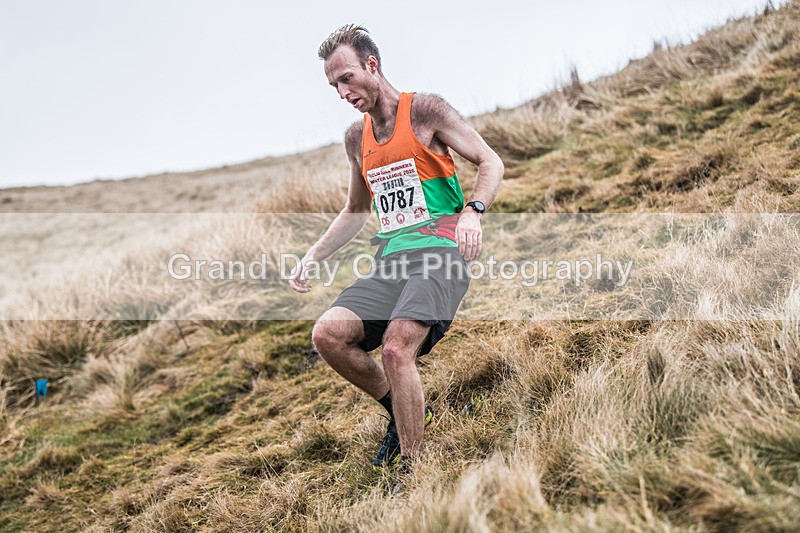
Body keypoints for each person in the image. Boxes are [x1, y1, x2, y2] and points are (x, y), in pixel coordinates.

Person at [289, 24, 503, 473]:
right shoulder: (356, 139)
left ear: (372, 65)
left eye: (347, 78)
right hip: (392, 260)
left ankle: (412, 468)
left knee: (395, 348)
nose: (342, 91)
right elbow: (355, 209)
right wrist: (313, 255)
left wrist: (473, 211)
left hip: (440, 253)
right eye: (334, 85)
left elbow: (490, 161)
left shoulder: (425, 111)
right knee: (328, 334)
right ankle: (404, 410)